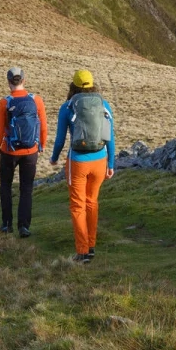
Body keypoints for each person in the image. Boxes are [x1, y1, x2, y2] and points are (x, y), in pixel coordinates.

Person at [50, 68, 115, 264]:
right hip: (100, 159)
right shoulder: (103, 104)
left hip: (78, 161)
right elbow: (110, 137)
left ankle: (82, 252)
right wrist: (111, 163)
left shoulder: (67, 107)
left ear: (73, 85)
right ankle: (91, 247)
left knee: (78, 205)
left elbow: (60, 139)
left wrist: (54, 158)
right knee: (91, 202)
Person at [0, 66, 47, 237]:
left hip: (9, 152)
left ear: (8, 82)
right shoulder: (36, 100)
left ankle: (7, 225)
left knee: (5, 187)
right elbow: (43, 126)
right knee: (26, 189)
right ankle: (24, 226)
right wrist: (41, 145)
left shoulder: (4, 103)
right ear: (24, 80)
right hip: (31, 151)